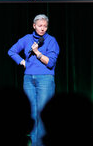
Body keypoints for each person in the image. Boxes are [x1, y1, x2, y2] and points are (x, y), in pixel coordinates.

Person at [8, 14, 60, 146]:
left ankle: (42, 143)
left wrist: (37, 53)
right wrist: (22, 62)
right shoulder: (27, 39)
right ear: (34, 26)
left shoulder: (51, 40)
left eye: (45, 26)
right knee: (31, 112)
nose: (43, 29)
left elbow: (50, 63)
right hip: (28, 78)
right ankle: (35, 142)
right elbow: (12, 51)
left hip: (45, 79)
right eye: (40, 26)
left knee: (43, 112)